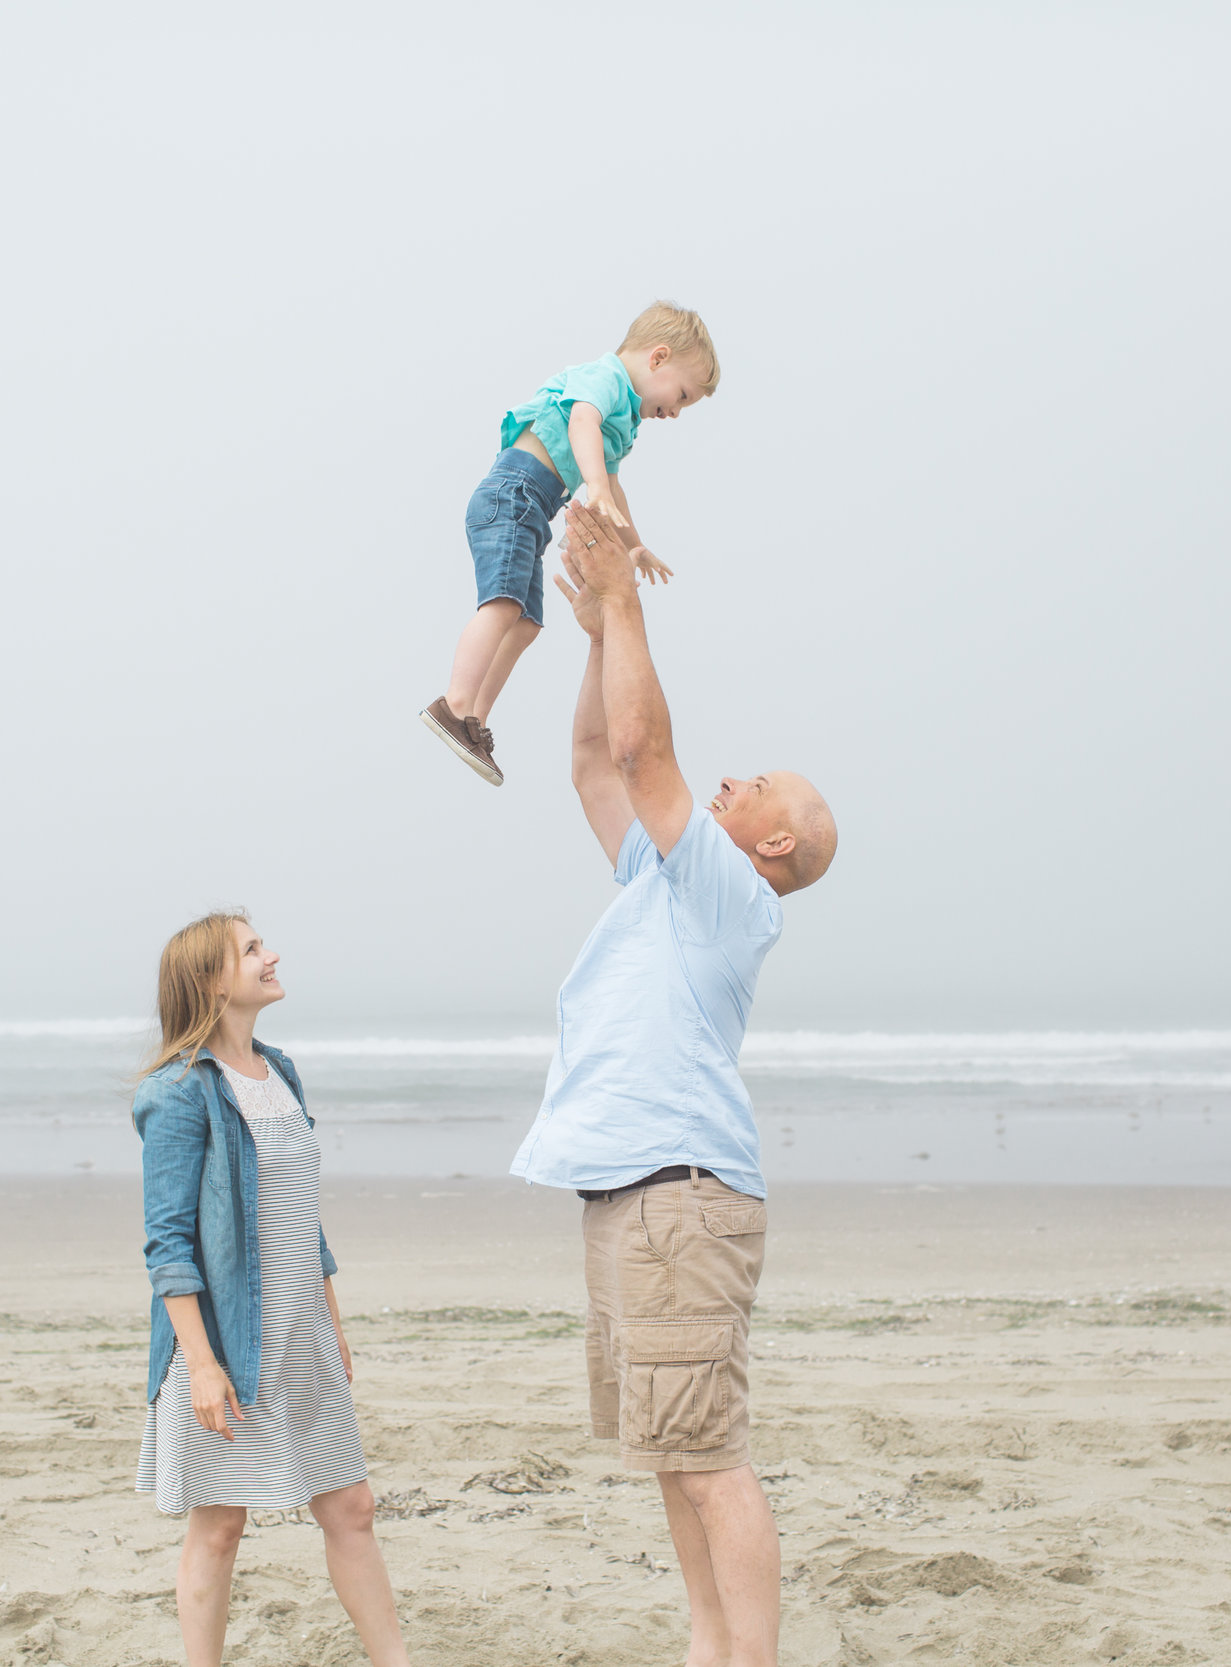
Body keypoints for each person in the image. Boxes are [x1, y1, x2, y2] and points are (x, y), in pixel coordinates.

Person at [510, 499, 837, 1667]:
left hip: (679, 1192)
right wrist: (598, 627)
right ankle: (709, 1644)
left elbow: (648, 754)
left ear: (775, 845)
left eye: (758, 785)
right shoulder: (662, 873)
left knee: (708, 1451)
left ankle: (747, 1654)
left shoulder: (728, 894)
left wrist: (629, 601)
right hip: (629, 1188)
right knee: (668, 1447)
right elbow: (597, 758)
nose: (733, 779)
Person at [131, 912, 411, 1667]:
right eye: (252, 949)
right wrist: (201, 1365)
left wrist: (334, 1322)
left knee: (351, 1506)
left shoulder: (280, 1069)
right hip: (227, 1345)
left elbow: (300, 1215)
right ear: (210, 980)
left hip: (304, 1334)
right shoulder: (180, 1092)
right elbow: (168, 1244)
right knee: (220, 1525)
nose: (272, 953)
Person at [420, 301, 720, 787]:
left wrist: (634, 545)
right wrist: (595, 487)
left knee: (526, 622)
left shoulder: (624, 422)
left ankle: (472, 718)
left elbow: (613, 489)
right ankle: (453, 703)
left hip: (533, 510)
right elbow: (581, 423)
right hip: (514, 492)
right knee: (502, 604)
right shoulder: (604, 379)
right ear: (658, 358)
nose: (677, 413)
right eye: (683, 396)